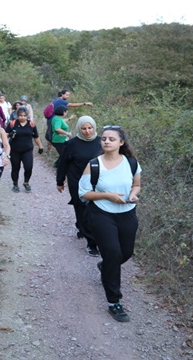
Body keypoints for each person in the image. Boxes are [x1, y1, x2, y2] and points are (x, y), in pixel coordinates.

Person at [78, 125, 142, 323]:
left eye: (111, 139)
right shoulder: (94, 165)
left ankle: (106, 266)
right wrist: (107, 195)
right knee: (113, 253)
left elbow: (137, 185)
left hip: (127, 213)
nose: (106, 141)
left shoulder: (131, 163)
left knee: (126, 252)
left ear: (121, 143)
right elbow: (84, 193)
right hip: (102, 214)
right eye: (104, 138)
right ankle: (114, 302)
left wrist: (133, 195)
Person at [56, 116, 103, 256]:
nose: (87, 131)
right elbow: (63, 163)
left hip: (97, 182)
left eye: (90, 128)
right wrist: (60, 181)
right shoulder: (72, 144)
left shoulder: (101, 142)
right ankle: (91, 243)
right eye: (84, 128)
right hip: (76, 180)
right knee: (81, 208)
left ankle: (84, 228)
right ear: (79, 128)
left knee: (95, 211)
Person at [5, 107, 44, 193]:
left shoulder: (32, 125)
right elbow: (5, 134)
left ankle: (26, 182)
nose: (22, 117)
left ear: (27, 116)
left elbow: (36, 136)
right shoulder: (12, 124)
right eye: (20, 115)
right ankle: (15, 184)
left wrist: (40, 146)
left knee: (28, 167)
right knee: (15, 168)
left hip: (27, 150)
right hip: (15, 150)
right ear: (17, 115)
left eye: (24, 115)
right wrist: (10, 135)